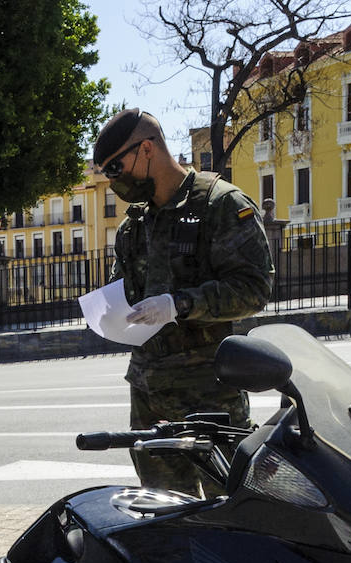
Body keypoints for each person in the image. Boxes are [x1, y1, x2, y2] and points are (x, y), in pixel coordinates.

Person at [93, 109, 274, 497]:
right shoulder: (134, 224)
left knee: (232, 509)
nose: (114, 181)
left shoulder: (220, 205)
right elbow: (122, 286)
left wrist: (180, 304)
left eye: (117, 167)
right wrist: (110, 310)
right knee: (164, 512)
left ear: (146, 149)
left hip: (209, 396)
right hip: (148, 393)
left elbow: (253, 288)